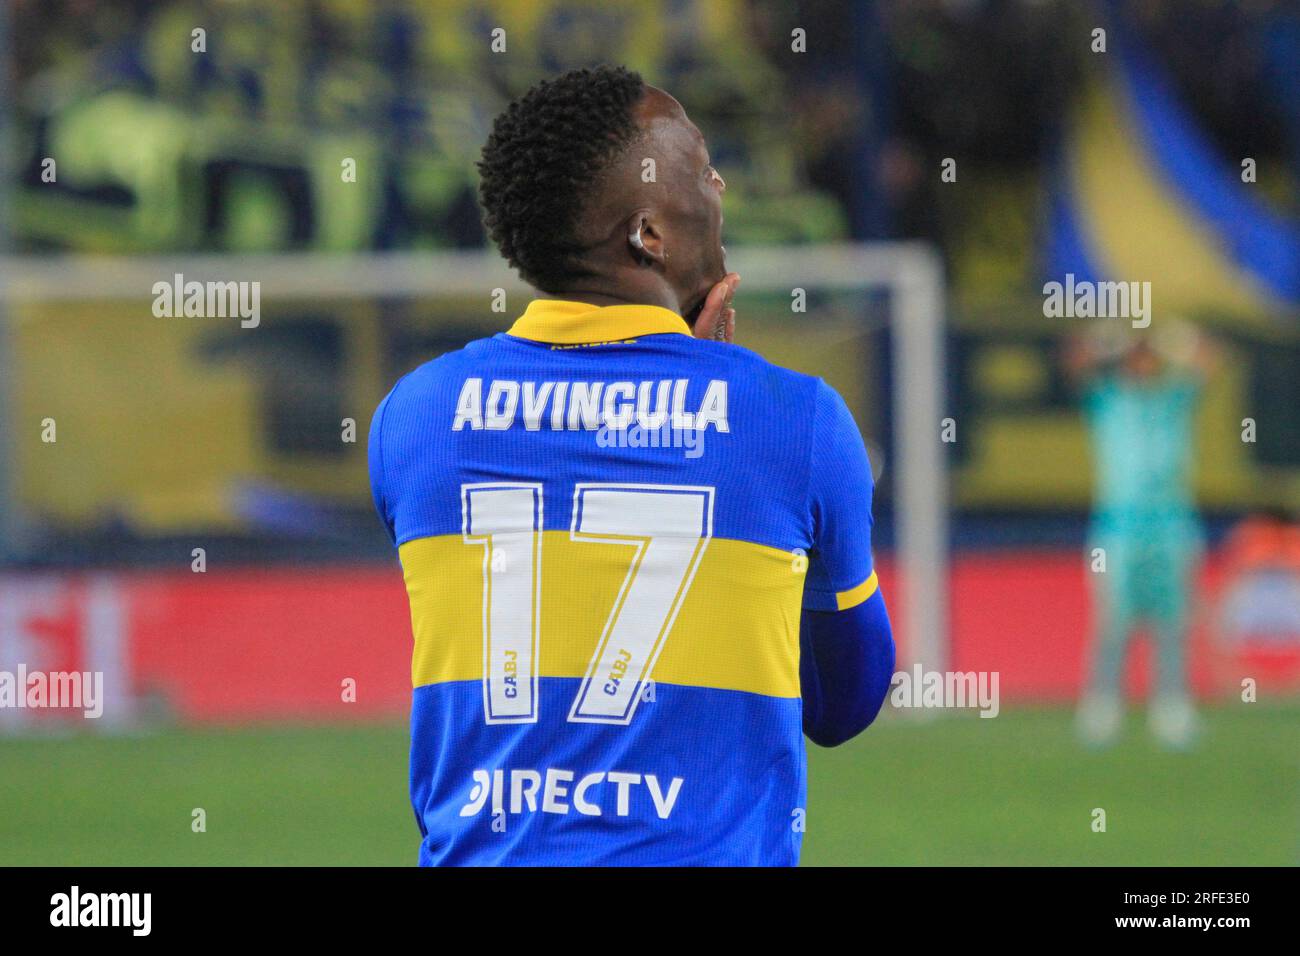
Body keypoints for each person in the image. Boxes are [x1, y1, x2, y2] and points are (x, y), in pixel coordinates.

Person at [368, 66, 894, 865]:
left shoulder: (414, 416)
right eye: (700, 164)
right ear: (648, 234)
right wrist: (712, 382)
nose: (719, 185)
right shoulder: (797, 421)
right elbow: (844, 703)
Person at [1067, 320, 1215, 750]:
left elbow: (1209, 362)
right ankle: (1102, 708)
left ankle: (1172, 710)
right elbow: (1075, 363)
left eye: (1150, 358)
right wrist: (1103, 341)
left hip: (1172, 525)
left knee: (1172, 622)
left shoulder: (1174, 400)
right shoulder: (1109, 401)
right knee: (1113, 622)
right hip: (1118, 527)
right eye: (1137, 358)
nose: (1143, 366)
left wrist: (1179, 339)